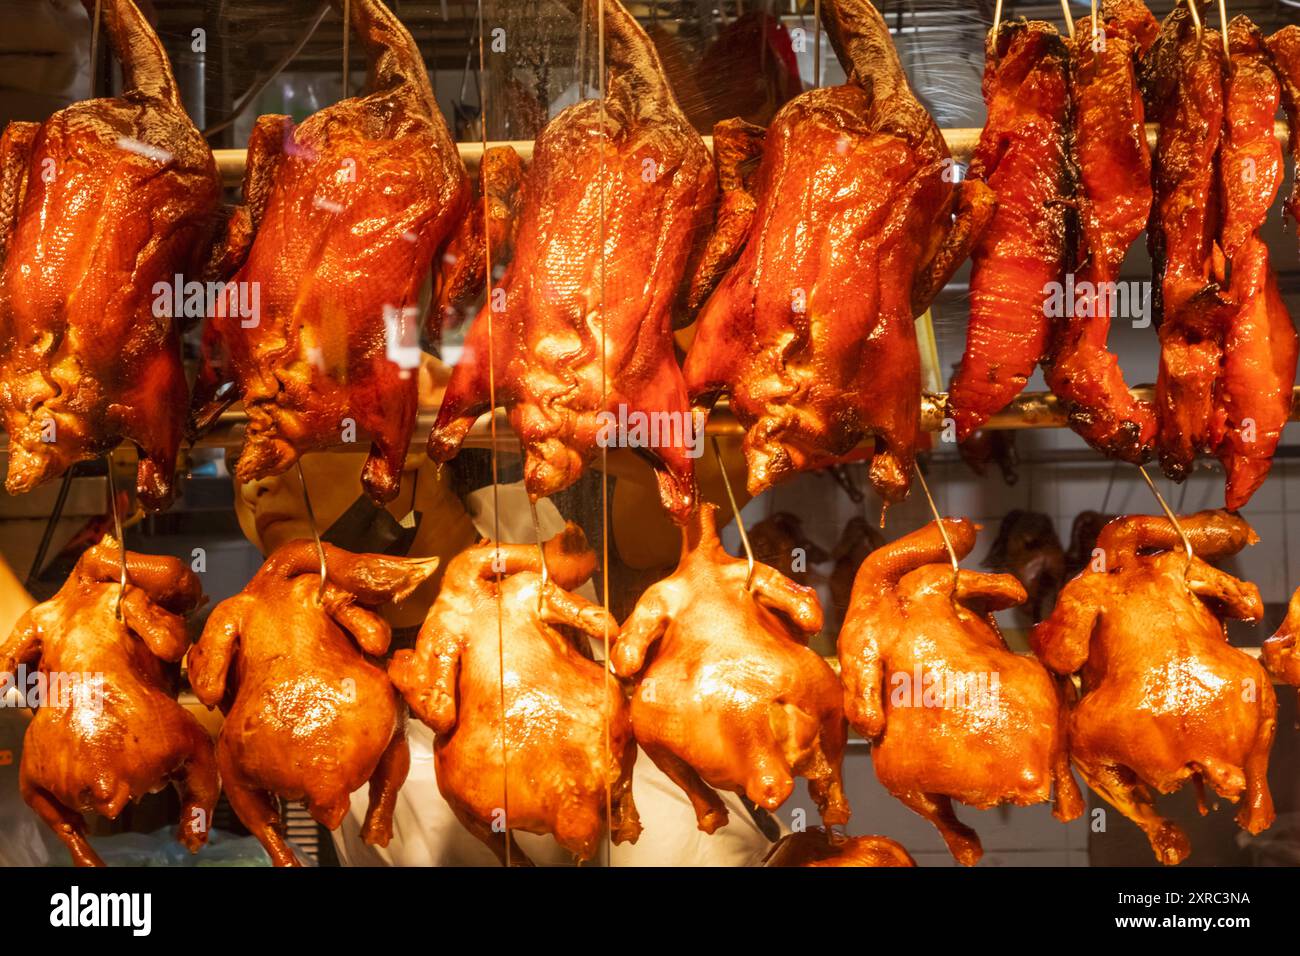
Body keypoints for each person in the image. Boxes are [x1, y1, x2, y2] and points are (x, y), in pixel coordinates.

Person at [229, 359, 784, 866]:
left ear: (410, 441)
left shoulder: (566, 516)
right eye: (237, 461)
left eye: (293, 445)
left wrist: (515, 420)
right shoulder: (286, 648)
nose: (253, 483)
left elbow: (725, 463)